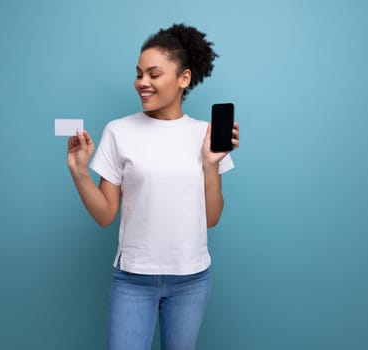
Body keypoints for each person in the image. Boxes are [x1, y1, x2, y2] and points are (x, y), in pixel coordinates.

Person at [66, 23, 240, 350]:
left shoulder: (205, 136)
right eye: (139, 74)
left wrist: (210, 164)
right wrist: (79, 173)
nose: (142, 83)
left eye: (154, 74)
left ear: (183, 78)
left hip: (192, 281)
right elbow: (105, 215)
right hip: (133, 280)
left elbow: (212, 217)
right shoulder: (119, 131)